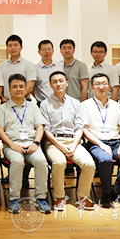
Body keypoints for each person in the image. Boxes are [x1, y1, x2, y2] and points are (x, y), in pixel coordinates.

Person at [40, 71, 96, 211]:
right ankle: (59, 197)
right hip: (54, 142)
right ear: (50, 85)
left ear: (67, 83)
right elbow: (46, 130)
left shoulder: (76, 103)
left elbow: (79, 127)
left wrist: (74, 144)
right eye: (55, 82)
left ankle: (82, 197)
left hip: (73, 141)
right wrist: (60, 146)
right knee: (59, 162)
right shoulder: (45, 104)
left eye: (61, 81)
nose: (58, 84)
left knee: (89, 164)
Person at [82, 73, 120, 208]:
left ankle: (116, 193)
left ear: (109, 86)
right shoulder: (85, 105)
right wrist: (101, 144)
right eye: (97, 84)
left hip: (116, 142)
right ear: (92, 87)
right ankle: (106, 193)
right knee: (105, 160)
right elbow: (85, 130)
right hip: (95, 142)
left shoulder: (117, 106)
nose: (101, 87)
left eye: (104, 84)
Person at [0, 74, 50, 215]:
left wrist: (36, 143)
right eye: (14, 87)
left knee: (41, 161)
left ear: (26, 89)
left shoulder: (33, 107)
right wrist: (11, 145)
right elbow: (0, 130)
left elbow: (40, 127)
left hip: (31, 144)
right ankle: (14, 199)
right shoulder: (3, 108)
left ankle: (41, 198)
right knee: (17, 161)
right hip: (12, 145)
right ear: (9, 90)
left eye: (21, 86)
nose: (18, 89)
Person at [0, 34, 36, 101]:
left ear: (21, 47)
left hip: (24, 102)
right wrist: (3, 98)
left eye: (15, 45)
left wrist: (17, 100)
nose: (13, 48)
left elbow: (30, 87)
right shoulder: (1, 66)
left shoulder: (29, 65)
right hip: (5, 102)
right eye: (10, 46)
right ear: (7, 49)